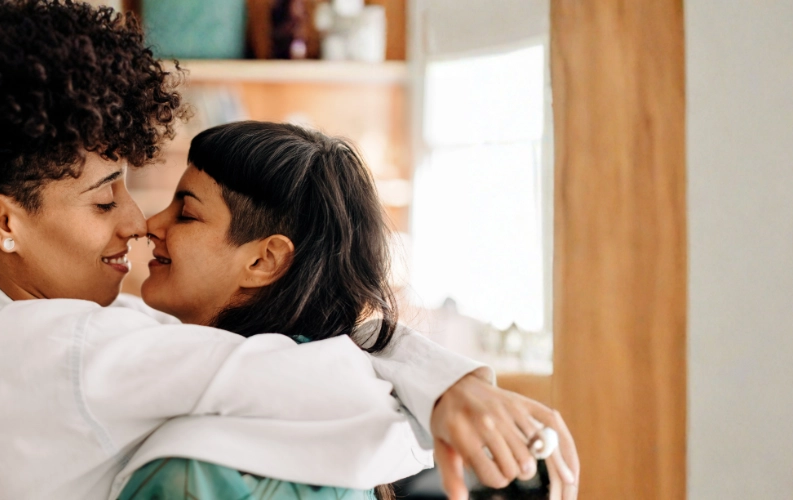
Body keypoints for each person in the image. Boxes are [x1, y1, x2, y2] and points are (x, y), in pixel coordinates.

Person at [0, 1, 578, 498]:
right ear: (1, 219)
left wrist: (453, 382)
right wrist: (451, 391)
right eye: (104, 199)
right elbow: (344, 390)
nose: (135, 223)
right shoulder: (69, 351)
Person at [117, 121, 577, 499]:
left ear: (263, 260)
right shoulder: (338, 395)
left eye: (187, 213)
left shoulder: (202, 474)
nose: (150, 223)